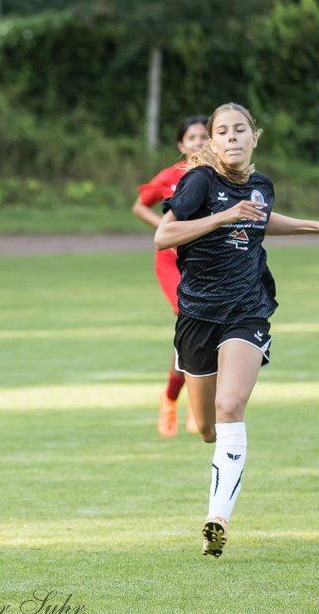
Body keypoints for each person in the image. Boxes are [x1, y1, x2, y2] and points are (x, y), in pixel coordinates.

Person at [154, 102, 319, 558]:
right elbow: (163, 237)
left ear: (255, 137)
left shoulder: (262, 187)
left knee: (231, 407)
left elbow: (261, 220)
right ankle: (212, 466)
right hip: (197, 317)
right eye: (222, 131)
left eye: (240, 129)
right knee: (207, 428)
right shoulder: (199, 182)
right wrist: (222, 217)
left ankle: (217, 519)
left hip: (247, 311)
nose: (231, 137)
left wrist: (312, 225)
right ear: (211, 140)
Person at [132, 115, 209, 437]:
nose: (200, 142)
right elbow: (140, 206)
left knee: (201, 331)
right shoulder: (169, 176)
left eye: (205, 136)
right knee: (191, 321)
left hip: (205, 265)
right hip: (171, 263)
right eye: (192, 137)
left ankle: (184, 396)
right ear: (181, 144)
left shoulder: (220, 177)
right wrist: (168, 230)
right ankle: (175, 398)